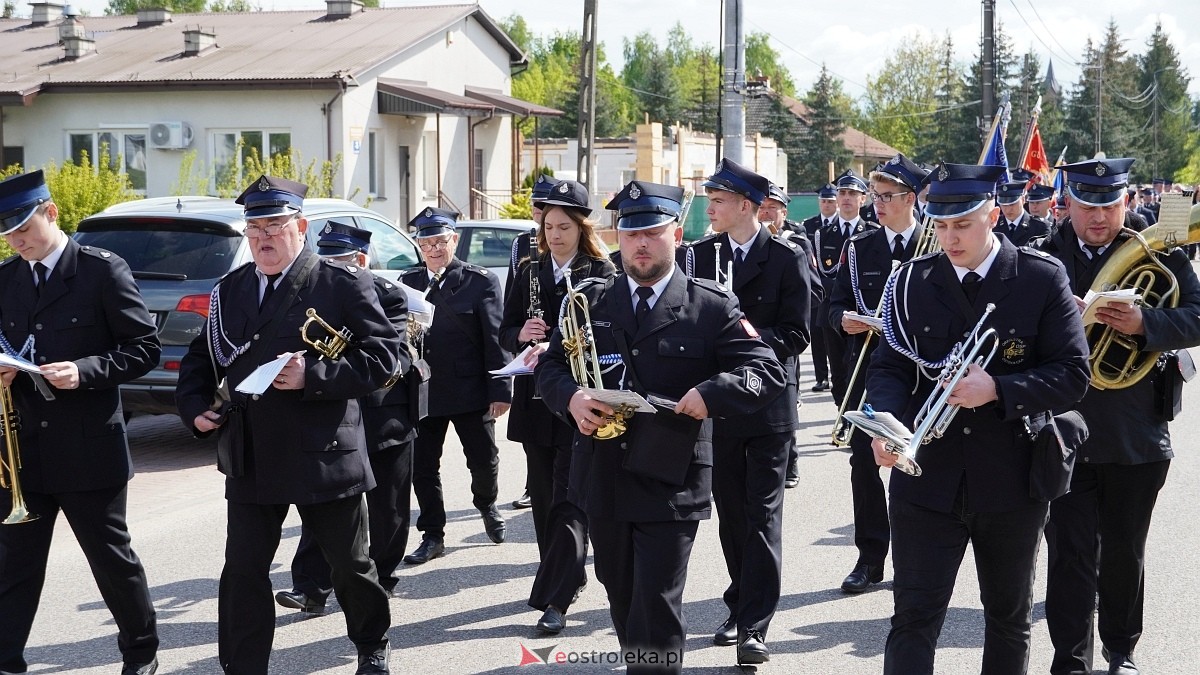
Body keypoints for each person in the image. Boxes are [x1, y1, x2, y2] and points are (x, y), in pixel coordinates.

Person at [536, 180, 785, 674]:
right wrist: (572, 397)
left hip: (672, 479)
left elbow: (766, 370)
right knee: (621, 592)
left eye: (652, 232)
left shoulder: (711, 305)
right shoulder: (591, 301)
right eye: (631, 234)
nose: (642, 244)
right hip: (603, 474)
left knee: (657, 602)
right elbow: (551, 369)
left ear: (676, 234)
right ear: (617, 238)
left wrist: (708, 395)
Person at [867, 162, 1090, 675]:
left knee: (1008, 618)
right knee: (913, 617)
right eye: (940, 225)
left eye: (962, 224)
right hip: (925, 480)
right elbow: (889, 367)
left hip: (1010, 476)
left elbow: (1073, 375)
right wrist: (885, 423)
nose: (949, 238)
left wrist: (999, 389)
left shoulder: (1039, 276)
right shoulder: (910, 281)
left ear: (992, 214)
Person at [176, 175, 398, 674]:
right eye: (254, 229)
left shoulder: (342, 284)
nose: (263, 238)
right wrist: (192, 407)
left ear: (300, 226)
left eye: (274, 226)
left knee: (350, 566)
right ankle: (243, 664)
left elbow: (387, 358)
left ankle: (371, 643)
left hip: (323, 452)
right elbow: (199, 360)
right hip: (253, 453)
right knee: (243, 571)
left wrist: (313, 376)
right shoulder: (229, 290)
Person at [1038, 158, 1200, 675]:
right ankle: (1070, 658)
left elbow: (1197, 314)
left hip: (1136, 432)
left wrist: (1144, 321)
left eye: (1110, 204)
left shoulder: (1161, 252)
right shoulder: (1041, 257)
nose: (1100, 216)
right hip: (1062, 430)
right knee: (1069, 554)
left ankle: (1121, 651)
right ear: (1068, 205)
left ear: (1126, 202)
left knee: (1126, 552)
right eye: (1088, 205)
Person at [0, 170, 161, 675]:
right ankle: (6, 658)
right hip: (23, 449)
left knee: (110, 560)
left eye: (23, 229)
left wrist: (85, 371)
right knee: (13, 566)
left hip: (89, 445)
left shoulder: (101, 271)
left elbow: (145, 348)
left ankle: (141, 653)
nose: (16, 241)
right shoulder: (5, 278)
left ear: (50, 212)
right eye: (7, 234)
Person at [685, 160, 810, 664]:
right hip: (718, 404)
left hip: (765, 404)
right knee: (732, 515)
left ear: (745, 206)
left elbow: (798, 333)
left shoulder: (785, 257)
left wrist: (751, 342)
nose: (710, 208)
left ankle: (754, 625)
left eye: (718, 201)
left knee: (760, 515)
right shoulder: (700, 254)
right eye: (709, 200)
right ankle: (739, 602)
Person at [274, 222, 418, 613]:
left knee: (388, 508)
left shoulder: (390, 296)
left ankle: (382, 575)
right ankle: (311, 587)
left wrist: (349, 354)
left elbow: (396, 357)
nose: (333, 266)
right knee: (324, 505)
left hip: (382, 417)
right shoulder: (311, 293)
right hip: (332, 419)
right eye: (328, 258)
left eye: (341, 258)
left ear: (361, 260)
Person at [498, 179, 616, 634]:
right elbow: (504, 329)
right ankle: (566, 573)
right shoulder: (529, 270)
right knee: (545, 501)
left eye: (564, 226)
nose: (555, 235)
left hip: (578, 398)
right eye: (549, 226)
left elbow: (609, 334)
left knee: (570, 498)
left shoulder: (602, 273)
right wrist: (520, 336)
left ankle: (557, 596)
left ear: (581, 228)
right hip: (534, 399)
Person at [827, 153, 929, 595]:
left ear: (910, 198)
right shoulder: (860, 247)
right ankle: (870, 558)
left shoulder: (934, 242)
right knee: (863, 464)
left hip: (923, 375)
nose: (877, 204)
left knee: (917, 465)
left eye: (886, 196)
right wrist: (843, 320)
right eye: (875, 195)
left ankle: (916, 558)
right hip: (866, 371)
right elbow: (831, 305)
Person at [401, 207, 511, 565]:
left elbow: (494, 338)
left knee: (482, 460)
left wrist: (500, 389)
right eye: (425, 242)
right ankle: (432, 534)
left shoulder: (479, 281)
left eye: (440, 241)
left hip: (469, 390)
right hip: (424, 392)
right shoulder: (410, 281)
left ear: (454, 240)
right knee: (423, 467)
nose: (433, 249)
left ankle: (487, 504)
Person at [758, 182, 823, 489]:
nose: (766, 212)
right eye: (763, 206)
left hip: (784, 335)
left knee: (787, 395)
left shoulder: (796, 243)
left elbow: (815, 289)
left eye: (773, 207)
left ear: (784, 211)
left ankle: (791, 458)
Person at [507, 174, 561, 511]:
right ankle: (533, 485)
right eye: (536, 206)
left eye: (544, 207)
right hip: (532, 362)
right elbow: (511, 312)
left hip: (566, 360)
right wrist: (521, 334)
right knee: (536, 445)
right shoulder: (522, 246)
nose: (538, 213)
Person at [817, 170, 877, 407]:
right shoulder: (824, 234)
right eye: (842, 192)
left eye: (853, 193)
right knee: (838, 371)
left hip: (864, 312)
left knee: (863, 367)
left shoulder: (872, 232)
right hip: (833, 312)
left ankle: (859, 414)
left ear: (863, 198)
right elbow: (823, 274)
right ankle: (843, 413)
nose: (846, 198)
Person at [800, 184, 837, 393]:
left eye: (831, 201)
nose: (827, 205)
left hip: (834, 285)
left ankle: (835, 374)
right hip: (816, 286)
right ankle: (821, 377)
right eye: (824, 201)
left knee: (834, 337)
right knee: (816, 335)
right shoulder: (809, 224)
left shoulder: (840, 228)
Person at [995, 180, 1051, 247]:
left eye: (1012, 204)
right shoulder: (994, 226)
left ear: (1023, 200)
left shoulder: (1040, 227)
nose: (1008, 209)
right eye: (1004, 205)